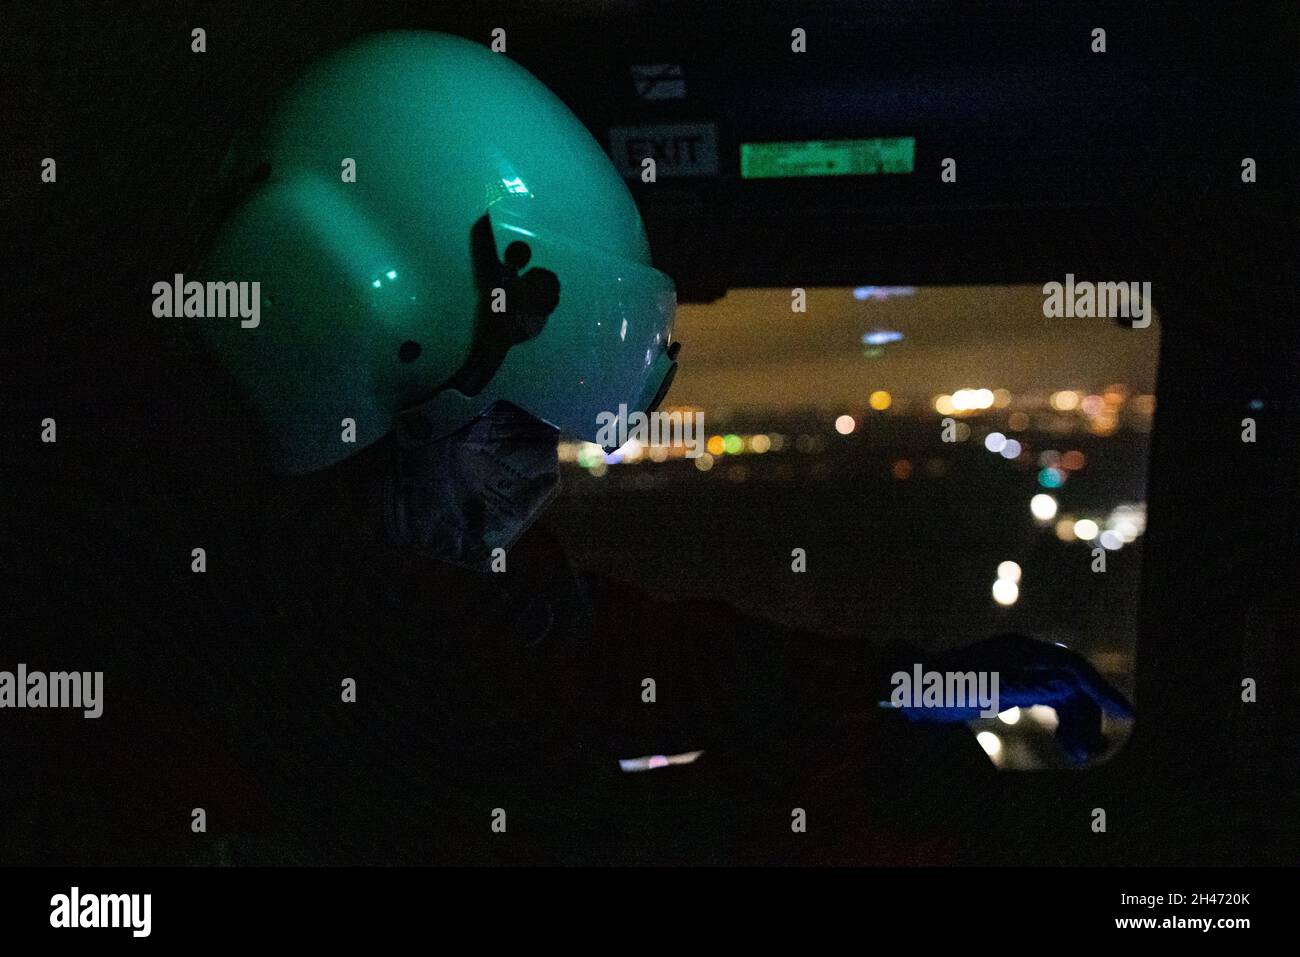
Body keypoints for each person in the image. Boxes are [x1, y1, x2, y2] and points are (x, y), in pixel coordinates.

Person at [5, 30, 1130, 866]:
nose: (533, 481)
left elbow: (607, 661)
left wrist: (910, 682)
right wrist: (843, 799)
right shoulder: (137, 682)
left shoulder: (365, 590)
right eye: (503, 426)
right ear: (350, 340)